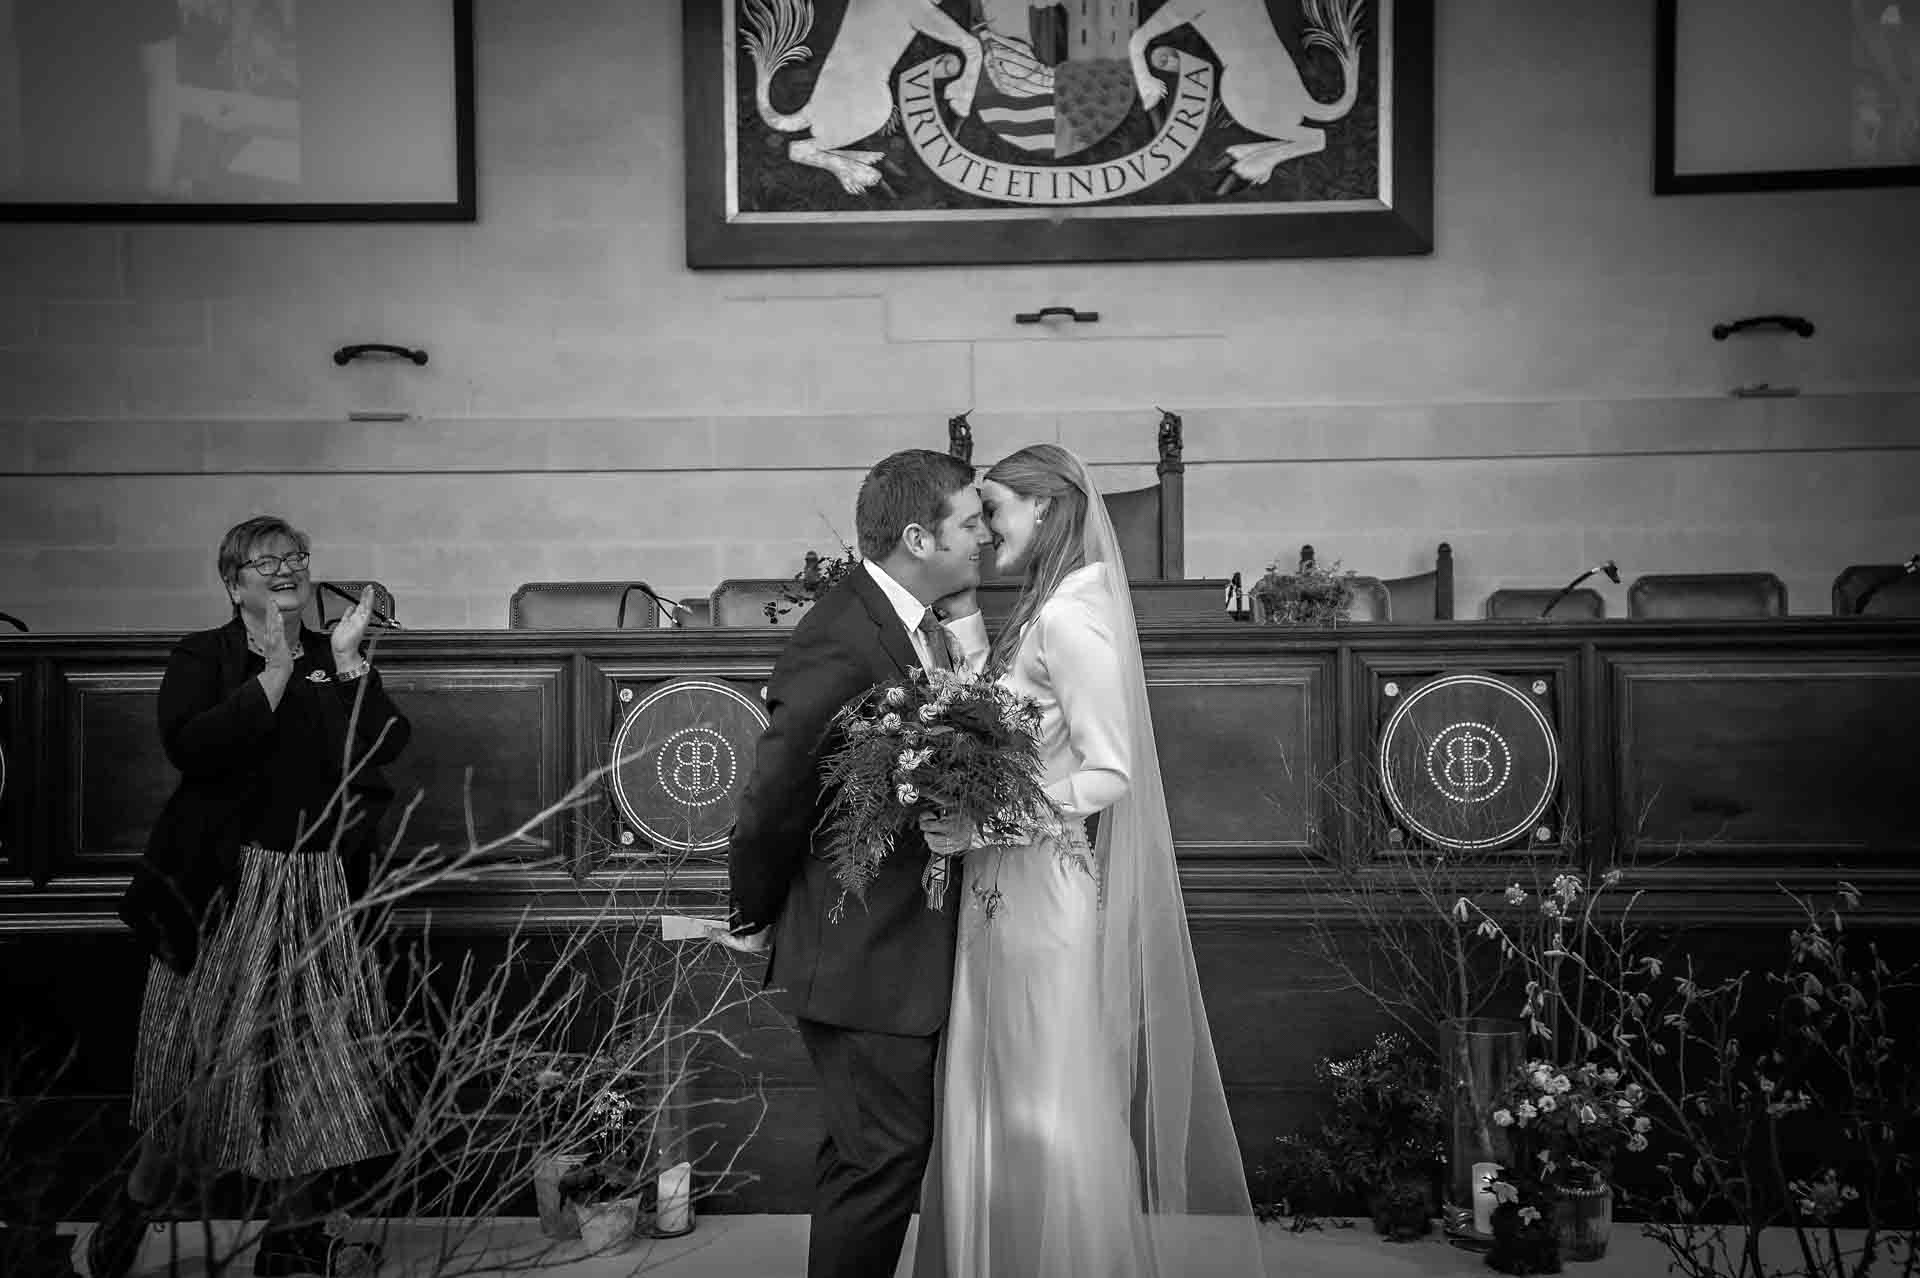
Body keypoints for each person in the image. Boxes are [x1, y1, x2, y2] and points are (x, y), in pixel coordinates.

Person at [911, 444, 1264, 1277]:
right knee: (1000, 1082)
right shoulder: (1046, 608)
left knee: (1041, 1091)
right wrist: (963, 624)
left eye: (994, 508)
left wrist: (986, 827)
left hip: (1038, 888)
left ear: (1045, 509)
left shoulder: (1073, 613)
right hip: (1005, 887)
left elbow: (1109, 770)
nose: (987, 529)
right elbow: (1010, 724)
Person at [91, 515, 411, 1278]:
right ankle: (136, 1203)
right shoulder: (203, 655)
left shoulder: (332, 655)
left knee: (319, 1068)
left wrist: (345, 663)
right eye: (267, 561)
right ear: (233, 581)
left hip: (315, 885)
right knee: (196, 1072)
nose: (287, 569)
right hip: (224, 888)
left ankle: (292, 1237)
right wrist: (269, 676)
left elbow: (381, 748)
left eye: (296, 556)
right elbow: (192, 747)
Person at [726, 449, 994, 1278]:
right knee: (881, 1162)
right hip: (859, 952)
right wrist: (751, 908)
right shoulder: (843, 637)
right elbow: (775, 790)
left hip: (891, 948)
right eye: (971, 522)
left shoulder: (906, 624)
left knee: (868, 1159)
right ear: (919, 536)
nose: (985, 536)